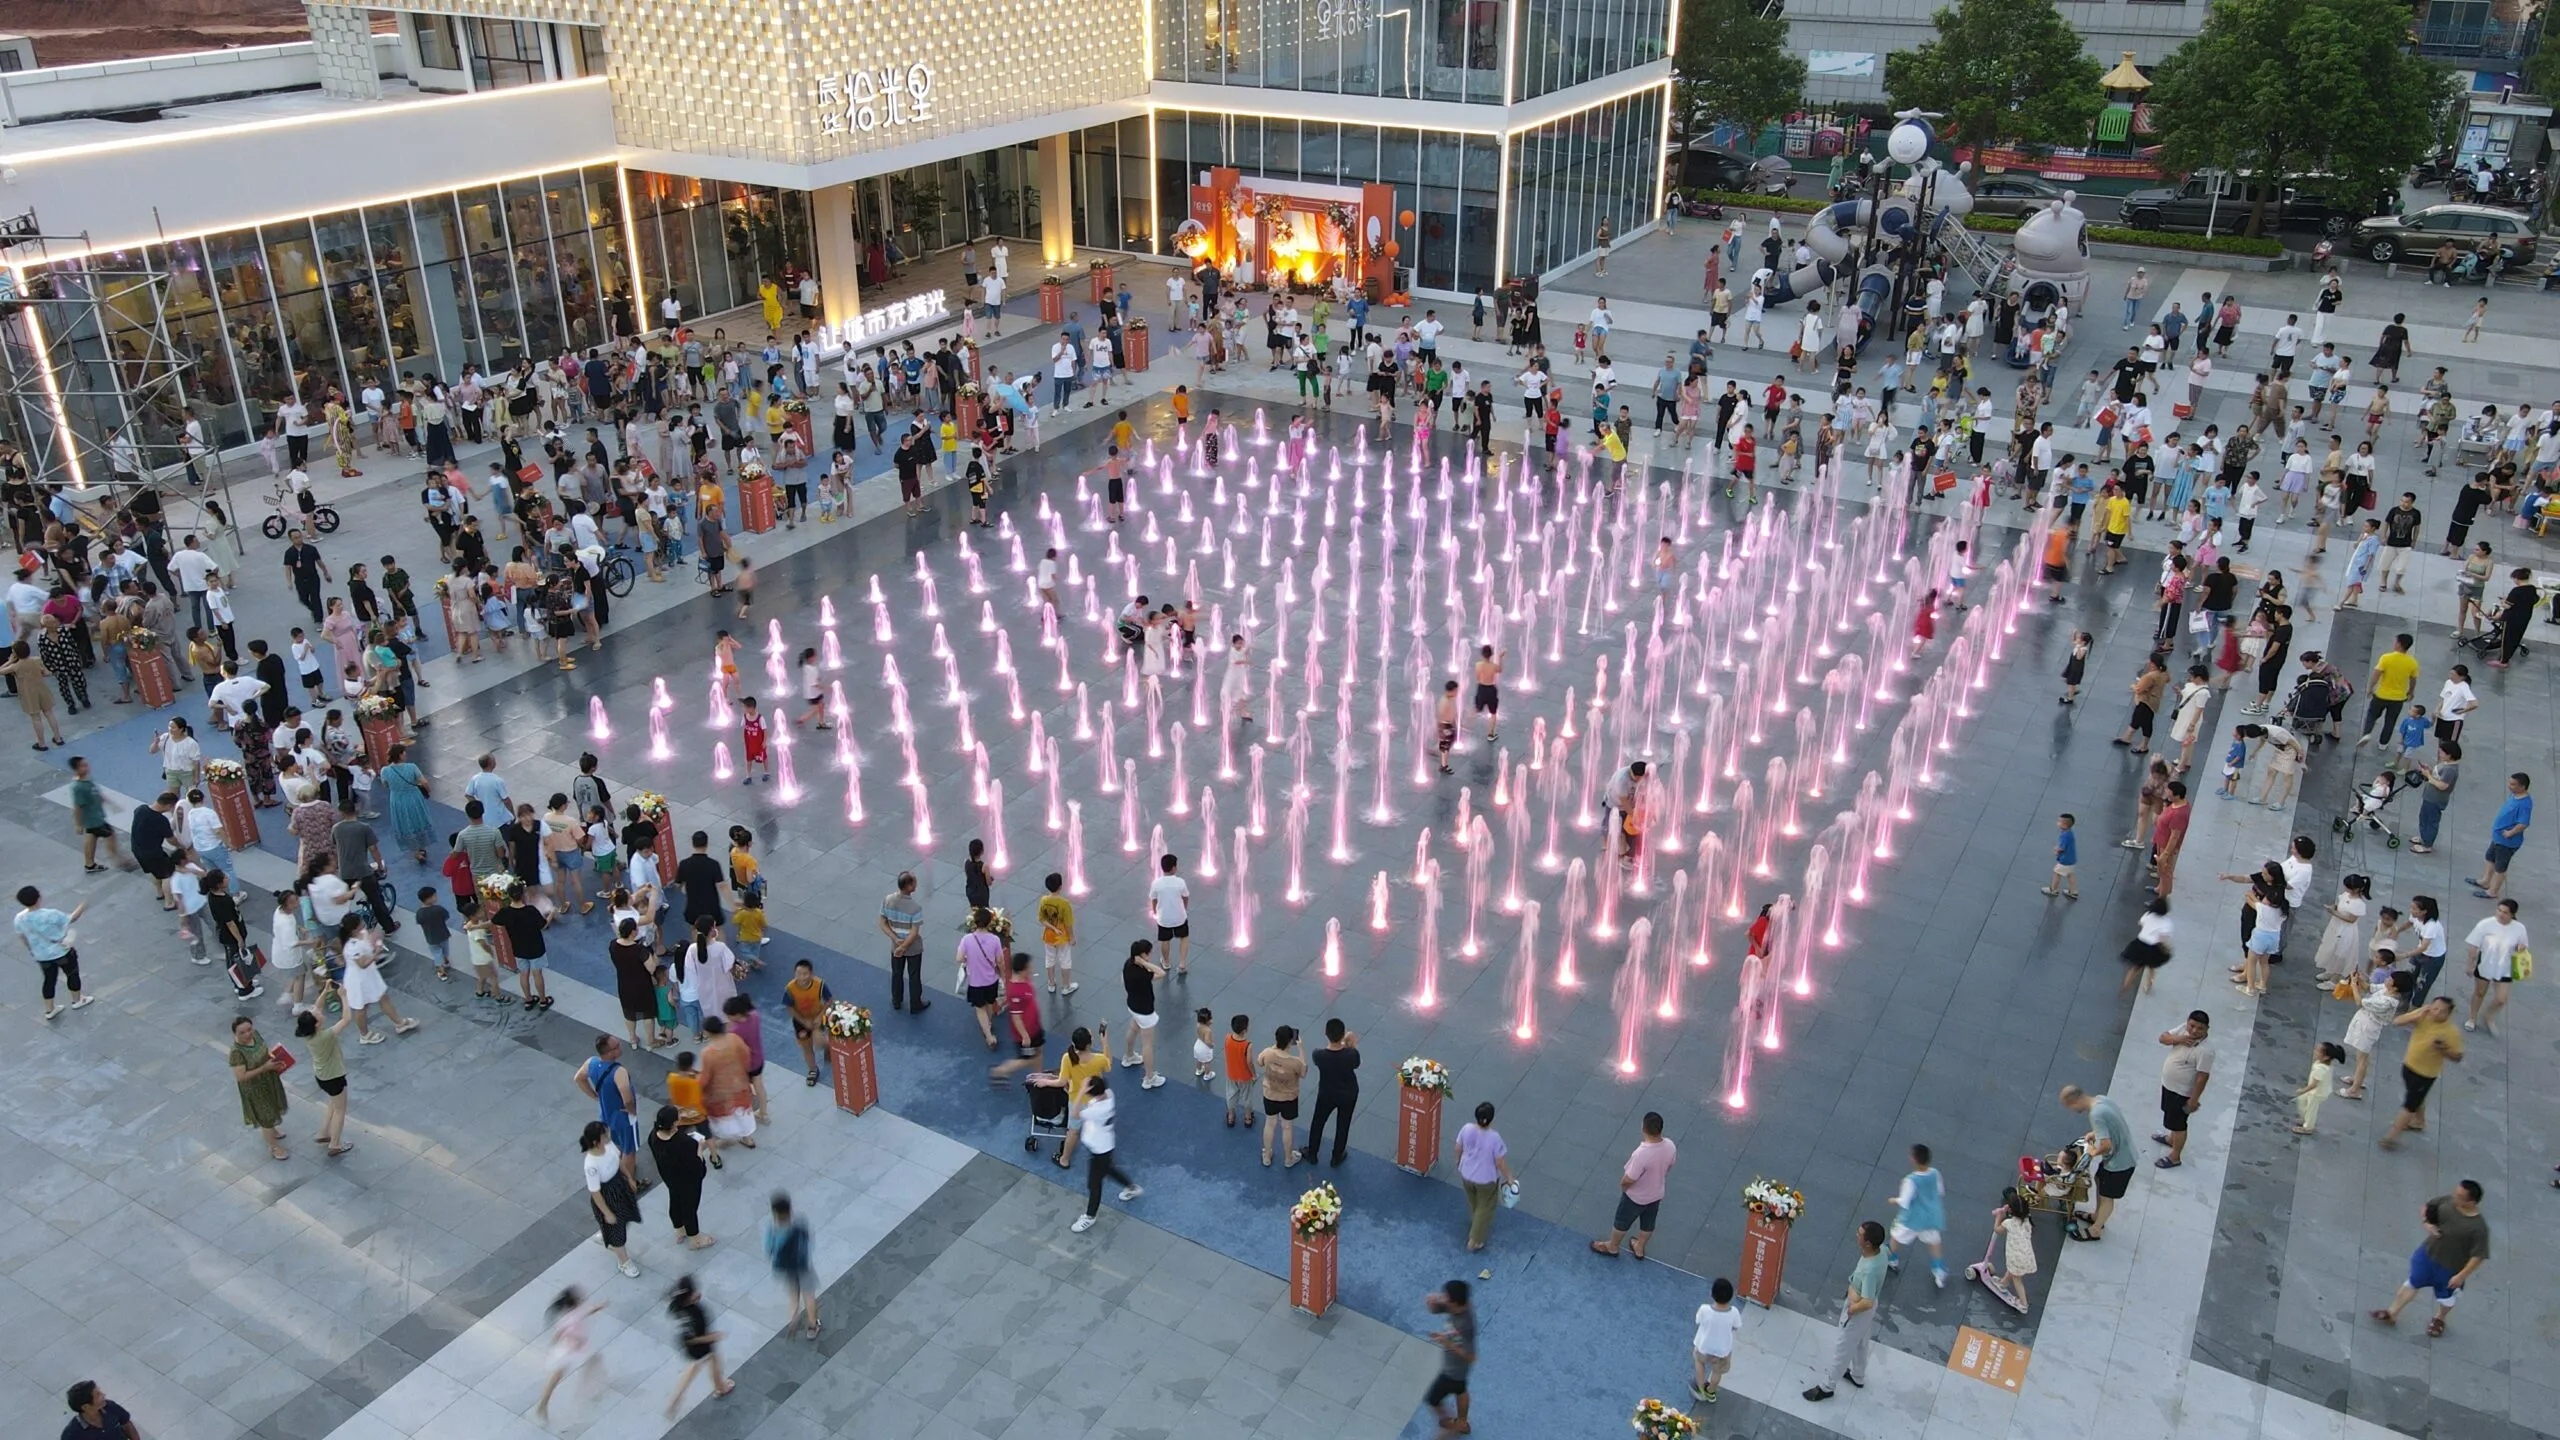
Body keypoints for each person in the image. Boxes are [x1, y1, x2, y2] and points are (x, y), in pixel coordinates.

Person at [2370, 1181, 2490, 1338]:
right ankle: (2392, 1313)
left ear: (2471, 1202)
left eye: (2460, 1197)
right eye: (2455, 1193)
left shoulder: (2479, 1228)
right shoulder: (2447, 1202)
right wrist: (2427, 1223)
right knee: (2412, 1283)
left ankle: (2439, 1318)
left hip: (2450, 1269)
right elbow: (2427, 1208)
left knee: (2446, 1298)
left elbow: (2478, 1256)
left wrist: (2461, 1276)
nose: (2454, 1198)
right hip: (2428, 1255)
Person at [1802, 1220, 1890, 1402]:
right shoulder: (1882, 1254)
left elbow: (1866, 1301)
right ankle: (1857, 1375)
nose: (1856, 1235)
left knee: (1843, 1347)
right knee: (1861, 1342)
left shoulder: (1870, 1269)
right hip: (1868, 1311)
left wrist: (1852, 1308)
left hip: (1858, 1312)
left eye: (1859, 1234)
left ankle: (1827, 1387)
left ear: (1868, 1243)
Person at [2379, 995, 2465, 1150]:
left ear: (2448, 1014)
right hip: (2409, 1065)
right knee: (2416, 1096)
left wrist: (2444, 1049)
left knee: (2410, 1104)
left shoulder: (2452, 1032)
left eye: (2441, 1011)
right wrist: (2418, 1014)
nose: (2436, 1012)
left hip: (2426, 1074)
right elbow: (2397, 1021)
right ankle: (2419, 1121)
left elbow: (2458, 1056)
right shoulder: (2424, 1015)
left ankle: (2391, 1136)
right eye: (2434, 1007)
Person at [1591, 1111, 1677, 1259]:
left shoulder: (1641, 1154)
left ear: (1643, 1129)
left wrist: (1624, 1186)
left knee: (1622, 1222)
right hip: (1656, 1194)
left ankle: (1612, 1247)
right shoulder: (1670, 1146)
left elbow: (1629, 1178)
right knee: (1648, 1223)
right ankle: (1639, 1247)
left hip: (1636, 1197)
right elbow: (1670, 1165)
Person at [2061, 1084, 2135, 1241]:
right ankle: (2096, 1216)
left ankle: (2095, 1230)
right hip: (2118, 1157)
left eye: (2070, 1107)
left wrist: (2092, 1152)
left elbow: (2106, 1145)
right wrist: (2095, 1133)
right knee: (2098, 1180)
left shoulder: (2096, 1114)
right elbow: (2112, 1124)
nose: (2073, 1111)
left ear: (2074, 1102)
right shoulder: (2101, 1100)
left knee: (2107, 1197)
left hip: (2120, 1163)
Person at [1069, 1073, 1142, 1232]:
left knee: (1094, 1184)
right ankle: (1132, 1187)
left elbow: (1074, 1114)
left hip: (1100, 1149)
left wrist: (1081, 1090)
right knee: (1109, 1169)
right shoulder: (1109, 1095)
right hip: (1104, 1145)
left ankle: (1090, 1216)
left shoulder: (1098, 1110)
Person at [14, 885, 91, 1020]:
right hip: (61, 952)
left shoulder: (19, 918)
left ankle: (50, 1009)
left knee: (49, 980)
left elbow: (23, 937)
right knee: (72, 974)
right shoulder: (50, 914)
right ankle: (77, 1000)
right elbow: (71, 918)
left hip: (41, 956)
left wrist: (32, 951)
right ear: (39, 898)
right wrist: (83, 905)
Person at [532, 1288, 607, 1425]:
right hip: (570, 1351)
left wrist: (598, 1307)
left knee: (560, 1375)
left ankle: (543, 1405)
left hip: (572, 1350)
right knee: (591, 1363)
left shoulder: (574, 1313)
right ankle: (544, 1404)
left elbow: (585, 1313)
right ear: (575, 1302)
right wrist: (576, 1340)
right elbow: (562, 1333)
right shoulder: (569, 1320)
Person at [663, 1274, 733, 1414]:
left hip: (688, 1344)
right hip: (699, 1346)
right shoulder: (694, 1314)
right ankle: (720, 1388)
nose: (698, 1294)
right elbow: (695, 1338)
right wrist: (713, 1337)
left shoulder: (676, 1307)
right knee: (707, 1364)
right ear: (688, 1297)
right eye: (694, 1293)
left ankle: (675, 1401)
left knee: (700, 1366)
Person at [2153, 1011, 2215, 1168]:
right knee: (2170, 1117)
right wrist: (2178, 1039)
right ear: (2187, 1022)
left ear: (2207, 1029)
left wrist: (2193, 1100)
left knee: (2179, 1125)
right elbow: (2163, 1038)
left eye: (2200, 1028)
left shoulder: (2206, 1051)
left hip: (2181, 1093)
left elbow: (2202, 1077)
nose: (2194, 1030)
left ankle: (2175, 1157)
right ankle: (2170, 1140)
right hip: (2168, 1086)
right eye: (2192, 1025)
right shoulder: (2182, 1031)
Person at [647, 1104, 713, 1251]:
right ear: (674, 1123)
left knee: (675, 1201)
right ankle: (695, 1239)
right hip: (687, 1181)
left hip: (670, 1178)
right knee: (689, 1208)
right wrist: (700, 1148)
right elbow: (696, 1166)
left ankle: (679, 1229)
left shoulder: (653, 1136)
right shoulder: (684, 1143)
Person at [1455, 1100, 1515, 1251]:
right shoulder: (1494, 1138)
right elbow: (1499, 1162)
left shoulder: (1466, 1129)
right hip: (1485, 1179)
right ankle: (1475, 1240)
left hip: (1466, 1173)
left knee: (1473, 1201)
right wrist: (1509, 1177)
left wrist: (1458, 1163)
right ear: (1491, 1119)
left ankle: (1475, 1222)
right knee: (1485, 1207)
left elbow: (1458, 1147)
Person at [228, 1015, 290, 1161]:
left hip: (269, 1079)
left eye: (249, 1029)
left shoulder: (255, 1035)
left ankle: (273, 1130)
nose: (247, 1034)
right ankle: (274, 1147)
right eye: (242, 1032)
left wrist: (274, 1059)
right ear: (235, 1034)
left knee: (273, 1107)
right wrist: (264, 1067)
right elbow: (241, 1076)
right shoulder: (236, 1052)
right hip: (255, 1088)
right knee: (265, 1116)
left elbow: (264, 1050)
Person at [1884, 1143, 1947, 1286]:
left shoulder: (1910, 1180)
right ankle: (1939, 1270)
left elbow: (1904, 1202)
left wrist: (1894, 1200)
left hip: (1911, 1219)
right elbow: (1940, 1191)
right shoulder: (1935, 1173)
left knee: (1896, 1236)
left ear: (1914, 1160)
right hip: (1931, 1217)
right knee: (1934, 1242)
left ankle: (1891, 1259)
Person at [295, 1004, 354, 1156]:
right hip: (334, 1077)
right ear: (317, 1023)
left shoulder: (308, 1034)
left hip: (322, 1076)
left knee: (333, 1103)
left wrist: (327, 989)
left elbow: (317, 1006)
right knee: (340, 1110)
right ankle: (335, 1143)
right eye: (317, 1014)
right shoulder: (326, 1035)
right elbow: (347, 1018)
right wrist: (344, 996)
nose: (319, 1011)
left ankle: (324, 1132)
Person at [2462, 897, 2526, 1035]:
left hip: (2505, 968)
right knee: (2479, 993)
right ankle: (2472, 1018)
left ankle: (2488, 1015)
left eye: (2505, 912)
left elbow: (2523, 946)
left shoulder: (2519, 928)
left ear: (2512, 914)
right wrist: (2470, 964)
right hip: (2486, 964)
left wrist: (2521, 948)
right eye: (2499, 910)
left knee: (2501, 999)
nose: (2501, 914)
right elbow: (2474, 945)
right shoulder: (2486, 924)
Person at [1305, 1018, 1361, 1167]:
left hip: (1327, 1093)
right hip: (1348, 1093)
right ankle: (1337, 1156)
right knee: (1343, 1124)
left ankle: (1312, 1153)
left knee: (1318, 1122)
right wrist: (1350, 1045)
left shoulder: (1319, 1055)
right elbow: (1355, 1063)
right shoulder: (1351, 1054)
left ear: (1325, 1033)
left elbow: (1327, 1053)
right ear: (1343, 1034)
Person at [1424, 1280, 1477, 1434]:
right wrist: (1432, 1302)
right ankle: (1462, 1422)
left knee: (1433, 1399)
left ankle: (1452, 1427)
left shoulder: (1465, 1325)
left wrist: (1447, 1343)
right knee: (1461, 1390)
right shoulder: (1458, 1307)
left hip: (1453, 1371)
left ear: (1454, 1303)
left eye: (1445, 1297)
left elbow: (1471, 1357)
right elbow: (1435, 1309)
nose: (1442, 1298)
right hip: (1457, 1370)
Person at [766, 1192, 821, 1340]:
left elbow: (769, 1250)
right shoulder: (799, 1224)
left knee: (793, 1296)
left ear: (774, 1212)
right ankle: (812, 1326)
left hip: (787, 1269)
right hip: (803, 1266)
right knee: (808, 1295)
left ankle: (793, 1318)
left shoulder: (772, 1230)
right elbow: (808, 1243)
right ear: (790, 1209)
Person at [1257, 1024, 1308, 1167]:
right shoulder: (1295, 1062)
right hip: (1288, 1098)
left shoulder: (1268, 1053)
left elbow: (1259, 1061)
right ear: (1291, 1041)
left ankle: (1267, 1156)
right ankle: (1288, 1159)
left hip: (1270, 1095)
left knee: (1270, 1123)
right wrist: (1301, 1049)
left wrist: (1274, 1048)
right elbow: (1303, 1072)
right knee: (1287, 1127)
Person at [2475, 771, 2531, 900]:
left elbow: (2523, 823)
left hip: (2507, 842)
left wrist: (2510, 833)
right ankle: (2486, 881)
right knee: (2490, 857)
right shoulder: (2515, 796)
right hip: (2498, 838)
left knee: (2500, 867)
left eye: (2513, 784)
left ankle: (2493, 891)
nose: (2509, 786)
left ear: (2522, 787)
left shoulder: (2525, 804)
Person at [880, 870, 927, 1013]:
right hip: (913, 948)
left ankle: (896, 1000)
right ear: (908, 886)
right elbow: (914, 933)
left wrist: (896, 940)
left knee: (896, 973)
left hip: (896, 946)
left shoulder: (888, 900)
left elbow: (882, 923)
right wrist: (905, 946)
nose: (916, 883)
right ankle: (915, 1003)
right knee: (914, 976)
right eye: (914, 881)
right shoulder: (915, 908)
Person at [1690, 1277, 1741, 1404]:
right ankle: (1711, 1391)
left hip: (1704, 1346)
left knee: (1699, 1363)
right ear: (1730, 1296)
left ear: (1712, 1294)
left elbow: (1698, 1321)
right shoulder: (1734, 1312)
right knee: (1717, 1371)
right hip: (1723, 1350)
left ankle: (1700, 1389)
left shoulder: (1704, 1309)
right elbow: (1736, 1326)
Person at [1148, 852, 1192, 977]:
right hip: (1179, 916)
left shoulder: (1156, 883)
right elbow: (1186, 896)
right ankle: (1182, 963)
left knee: (1165, 939)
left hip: (1164, 918)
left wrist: (1155, 910)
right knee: (1184, 937)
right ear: (1174, 867)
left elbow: (1153, 899)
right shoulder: (1180, 882)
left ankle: (1166, 962)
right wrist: (1184, 907)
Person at [2294, 1041, 2345, 1136]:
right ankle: (2305, 1118)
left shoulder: (2320, 1069)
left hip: (2317, 1093)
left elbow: (2314, 1085)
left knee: (2311, 1110)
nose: (2315, 1051)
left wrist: (2303, 1090)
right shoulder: (2322, 1063)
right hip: (2315, 1091)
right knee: (2302, 1100)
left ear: (2325, 1057)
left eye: (2317, 1051)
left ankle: (2308, 1127)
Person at [60, 1380, 139, 1440]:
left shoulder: (110, 1407)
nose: (103, 1395)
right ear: (86, 1407)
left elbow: (127, 1424)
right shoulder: (71, 1434)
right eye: (98, 1395)